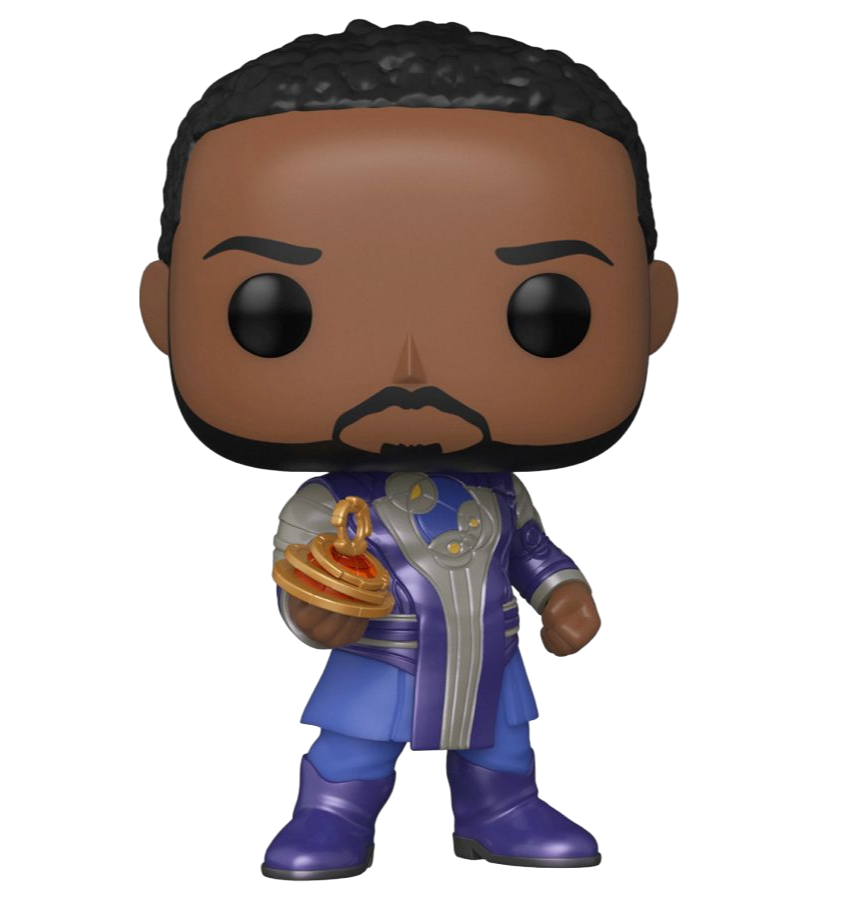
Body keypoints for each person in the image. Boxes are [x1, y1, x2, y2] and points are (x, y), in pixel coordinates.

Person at [139, 19, 678, 880]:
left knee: (501, 742)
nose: (411, 372)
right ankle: (330, 815)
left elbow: (532, 551)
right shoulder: (324, 503)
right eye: (273, 312)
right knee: (354, 746)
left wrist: (565, 596)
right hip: (378, 658)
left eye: (548, 311)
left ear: (655, 308)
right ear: (162, 309)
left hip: (487, 652)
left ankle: (501, 810)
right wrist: (314, 615)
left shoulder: (501, 491)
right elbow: (304, 575)